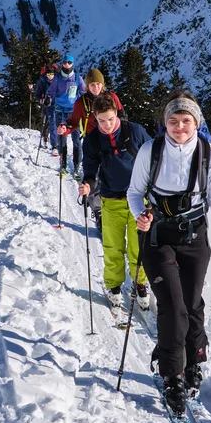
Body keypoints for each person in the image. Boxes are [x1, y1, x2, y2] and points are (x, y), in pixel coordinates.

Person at [127, 93, 211, 417]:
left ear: (197, 123)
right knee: (172, 304)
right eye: (173, 120)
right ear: (164, 123)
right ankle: (173, 374)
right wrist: (140, 213)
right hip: (157, 236)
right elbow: (134, 192)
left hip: (195, 235)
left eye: (186, 121)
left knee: (193, 302)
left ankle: (195, 358)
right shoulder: (150, 152)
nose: (179, 127)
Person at [77, 94, 150, 310]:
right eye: (101, 120)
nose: (107, 125)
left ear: (116, 114)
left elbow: (154, 157)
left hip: (139, 199)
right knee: (113, 247)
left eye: (110, 119)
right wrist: (88, 184)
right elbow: (90, 170)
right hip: (110, 199)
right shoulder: (91, 140)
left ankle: (140, 283)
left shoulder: (134, 131)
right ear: (95, 119)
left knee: (139, 246)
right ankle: (113, 285)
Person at [58, 68, 124, 226]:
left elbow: (122, 117)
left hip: (112, 141)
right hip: (92, 143)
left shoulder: (112, 98)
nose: (96, 87)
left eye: (98, 84)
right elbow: (73, 122)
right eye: (92, 84)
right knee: (93, 177)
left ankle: (116, 207)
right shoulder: (81, 103)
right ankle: (99, 213)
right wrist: (65, 129)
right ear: (87, 86)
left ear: (103, 85)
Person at [46, 55, 81, 174]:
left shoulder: (77, 78)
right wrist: (48, 98)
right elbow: (51, 91)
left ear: (72, 64)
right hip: (60, 111)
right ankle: (63, 164)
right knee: (62, 139)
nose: (67, 65)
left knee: (76, 140)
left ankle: (76, 166)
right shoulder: (57, 78)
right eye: (65, 62)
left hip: (74, 112)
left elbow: (82, 92)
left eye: (69, 62)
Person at [32, 65, 56, 149]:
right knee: (45, 121)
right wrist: (40, 100)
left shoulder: (57, 81)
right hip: (46, 104)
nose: (50, 76)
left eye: (51, 74)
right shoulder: (42, 81)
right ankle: (45, 138)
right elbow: (38, 93)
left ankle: (55, 143)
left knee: (53, 123)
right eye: (48, 75)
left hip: (56, 104)